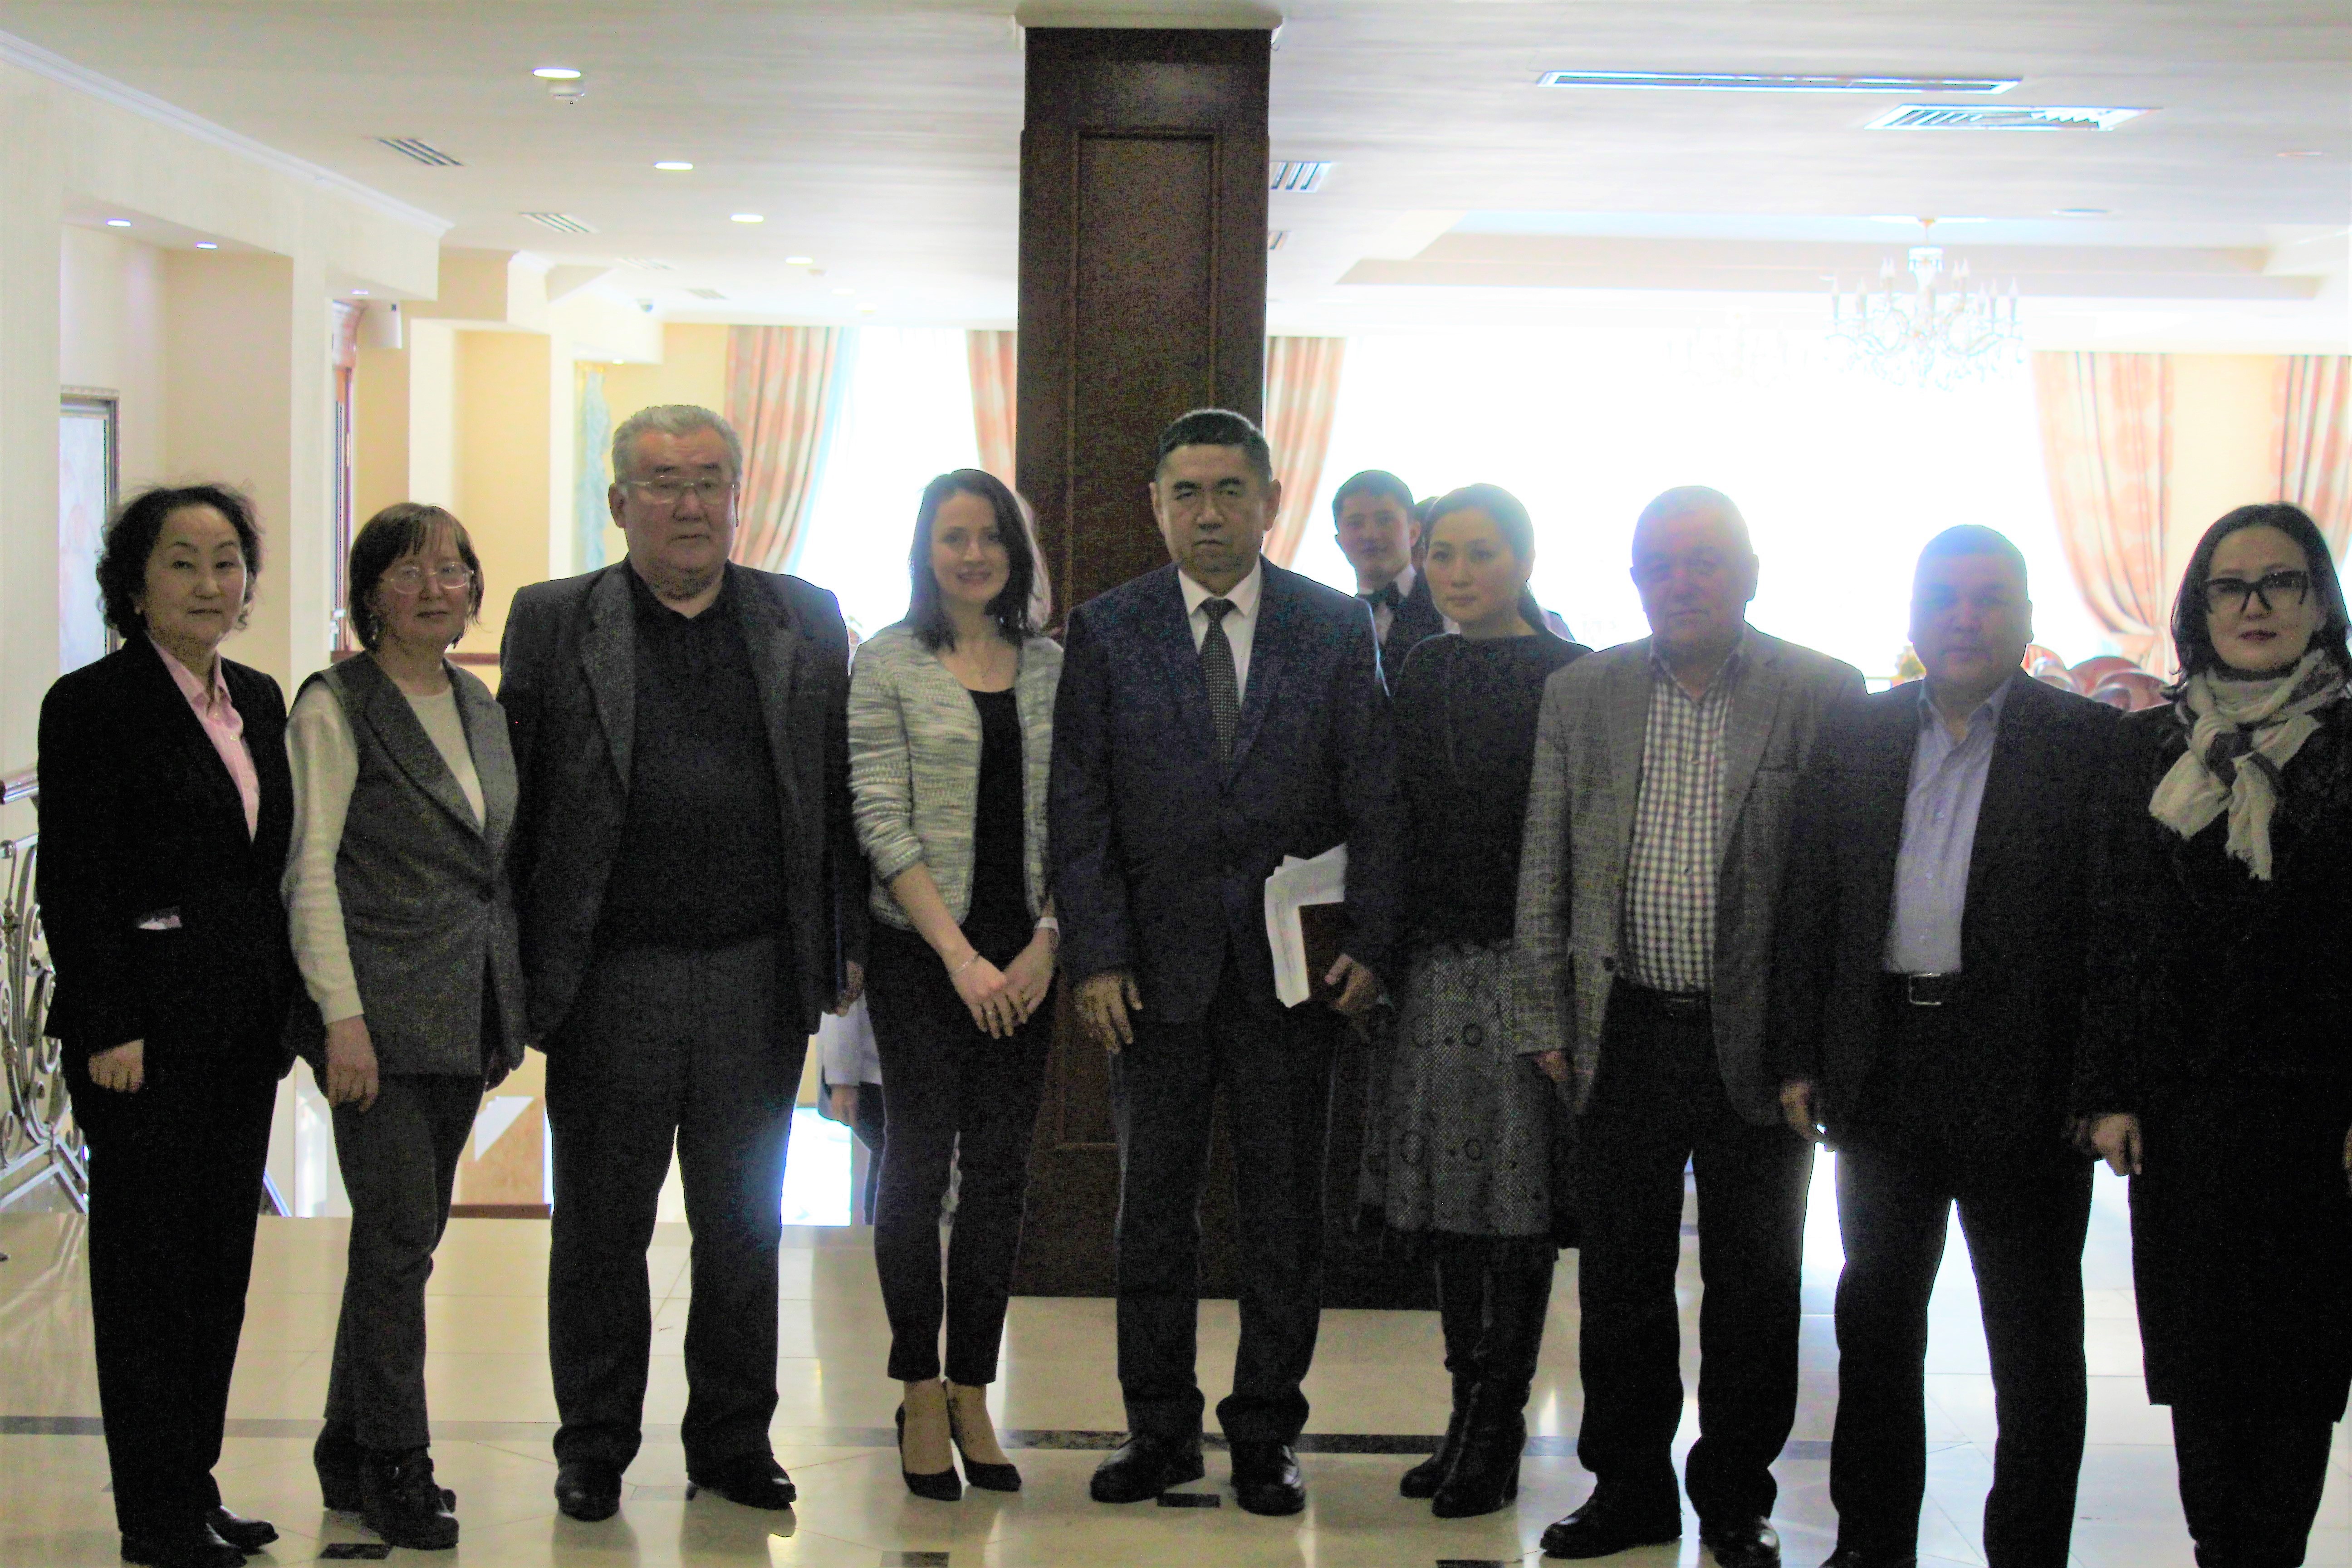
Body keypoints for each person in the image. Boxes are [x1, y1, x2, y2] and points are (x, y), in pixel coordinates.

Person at [499, 403, 865, 1522]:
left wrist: (840, 942)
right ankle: (595, 1443)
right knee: (600, 1226)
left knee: (742, 1225)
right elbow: (520, 803)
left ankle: (732, 1441)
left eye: (709, 478)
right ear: (619, 503)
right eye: (662, 481)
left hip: (756, 969)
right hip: (613, 976)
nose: (689, 501)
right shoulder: (555, 622)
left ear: (740, 494)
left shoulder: (803, 617)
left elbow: (837, 799)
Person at [1050, 407, 1404, 1516]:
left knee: (1282, 1215)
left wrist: (1372, 946)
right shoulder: (1106, 629)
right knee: (1150, 1211)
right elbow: (1080, 807)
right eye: (1185, 493)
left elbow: (1377, 798)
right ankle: (1157, 1428)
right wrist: (1096, 955)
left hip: (1290, 981)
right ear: (1156, 506)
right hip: (1150, 980)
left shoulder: (1332, 625)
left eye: (1227, 491)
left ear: (1268, 501)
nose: (1207, 513)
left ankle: (1264, 1433)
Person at [1515, 485, 1863, 1568]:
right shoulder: (1583, 691)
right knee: (1619, 1276)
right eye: (1658, 562)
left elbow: (1840, 885)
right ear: (1632, 579)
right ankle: (1628, 1486)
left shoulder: (1820, 689)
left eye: (1705, 559)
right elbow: (1546, 859)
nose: (1681, 579)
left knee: (1754, 1281)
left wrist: (1815, 1046)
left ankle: (1730, 1495)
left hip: (1757, 1039)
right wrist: (1543, 1008)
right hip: (1619, 1029)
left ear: (1750, 571)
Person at [1773, 527, 2114, 1568]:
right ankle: (1869, 1544)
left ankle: (2026, 1551)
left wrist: (2101, 1082)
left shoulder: (2087, 742)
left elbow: (2111, 928)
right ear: (1914, 615)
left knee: (2033, 1337)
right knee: (1875, 1319)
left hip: (2025, 1074)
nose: (1964, 616)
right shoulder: (1857, 733)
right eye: (1944, 597)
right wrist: (1799, 1053)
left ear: (2021, 615)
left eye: (1987, 597)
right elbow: (1811, 901)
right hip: (1884, 1062)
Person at [2078, 502, 2352, 1568]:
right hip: (2183, 1111)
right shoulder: (2145, 744)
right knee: (2199, 1360)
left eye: (2278, 582)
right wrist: (2107, 1087)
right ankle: (2216, 1546)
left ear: (2318, 600)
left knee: (2295, 1364)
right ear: (2196, 605)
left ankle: (2266, 1550)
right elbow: (2113, 921)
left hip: (2314, 1117)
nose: (2252, 605)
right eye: (2228, 585)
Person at [37, 485, 296, 1568]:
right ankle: (153, 1514)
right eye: (182, 561)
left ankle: (192, 1482)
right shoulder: (92, 702)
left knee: (217, 1270)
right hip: (140, 1041)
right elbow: (78, 880)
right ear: (135, 581)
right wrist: (109, 1021)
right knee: (146, 1280)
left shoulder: (260, 698)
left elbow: (263, 869)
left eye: (227, 561)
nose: (208, 583)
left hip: (238, 1035)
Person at [283, 504, 525, 1551]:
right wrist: (341, 1017)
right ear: (371, 587)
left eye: (455, 568)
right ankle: (397, 1462)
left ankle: (347, 1443)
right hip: (375, 1020)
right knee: (395, 1248)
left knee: (404, 1240)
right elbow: (309, 875)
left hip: (465, 1008)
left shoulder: (477, 701)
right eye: (410, 569)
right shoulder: (336, 706)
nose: (437, 586)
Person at [1358, 484, 1588, 1519]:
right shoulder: (1419, 665)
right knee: (1450, 1209)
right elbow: (1393, 819)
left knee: (1516, 1213)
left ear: (1523, 560)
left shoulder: (1566, 675)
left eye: (1480, 553)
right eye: (1440, 553)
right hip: (1432, 970)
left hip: (1522, 968)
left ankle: (1498, 1427)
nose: (1457, 572)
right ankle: (1460, 1412)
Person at [848, 469, 1063, 1502]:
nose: (972, 553)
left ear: (1015, 553)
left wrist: (1046, 944)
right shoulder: (887, 660)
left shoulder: (1055, 668)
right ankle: (917, 1383)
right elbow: (878, 816)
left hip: (1030, 955)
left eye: (990, 536)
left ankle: (974, 1380)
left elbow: (1083, 817)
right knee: (916, 1161)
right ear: (924, 549)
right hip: (921, 952)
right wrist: (958, 955)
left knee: (1001, 1172)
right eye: (952, 536)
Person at [1333, 469, 1448, 683]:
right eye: (1356, 523)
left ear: (1413, 533)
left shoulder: (1448, 600)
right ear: (1341, 542)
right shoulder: (1334, 623)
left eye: (1384, 520)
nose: (1370, 534)